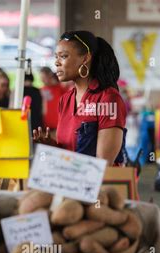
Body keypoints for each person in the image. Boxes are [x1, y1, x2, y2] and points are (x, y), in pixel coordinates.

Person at [33, 30, 127, 166]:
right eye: (56, 57)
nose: (57, 63)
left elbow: (102, 164)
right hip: (69, 181)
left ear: (85, 58)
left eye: (63, 56)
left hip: (99, 185)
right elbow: (70, 151)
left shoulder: (108, 98)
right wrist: (52, 147)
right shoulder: (65, 99)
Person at [40, 66, 65, 135]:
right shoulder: (41, 89)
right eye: (41, 78)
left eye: (44, 78)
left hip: (58, 125)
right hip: (45, 125)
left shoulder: (60, 88)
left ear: (50, 76)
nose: (42, 80)